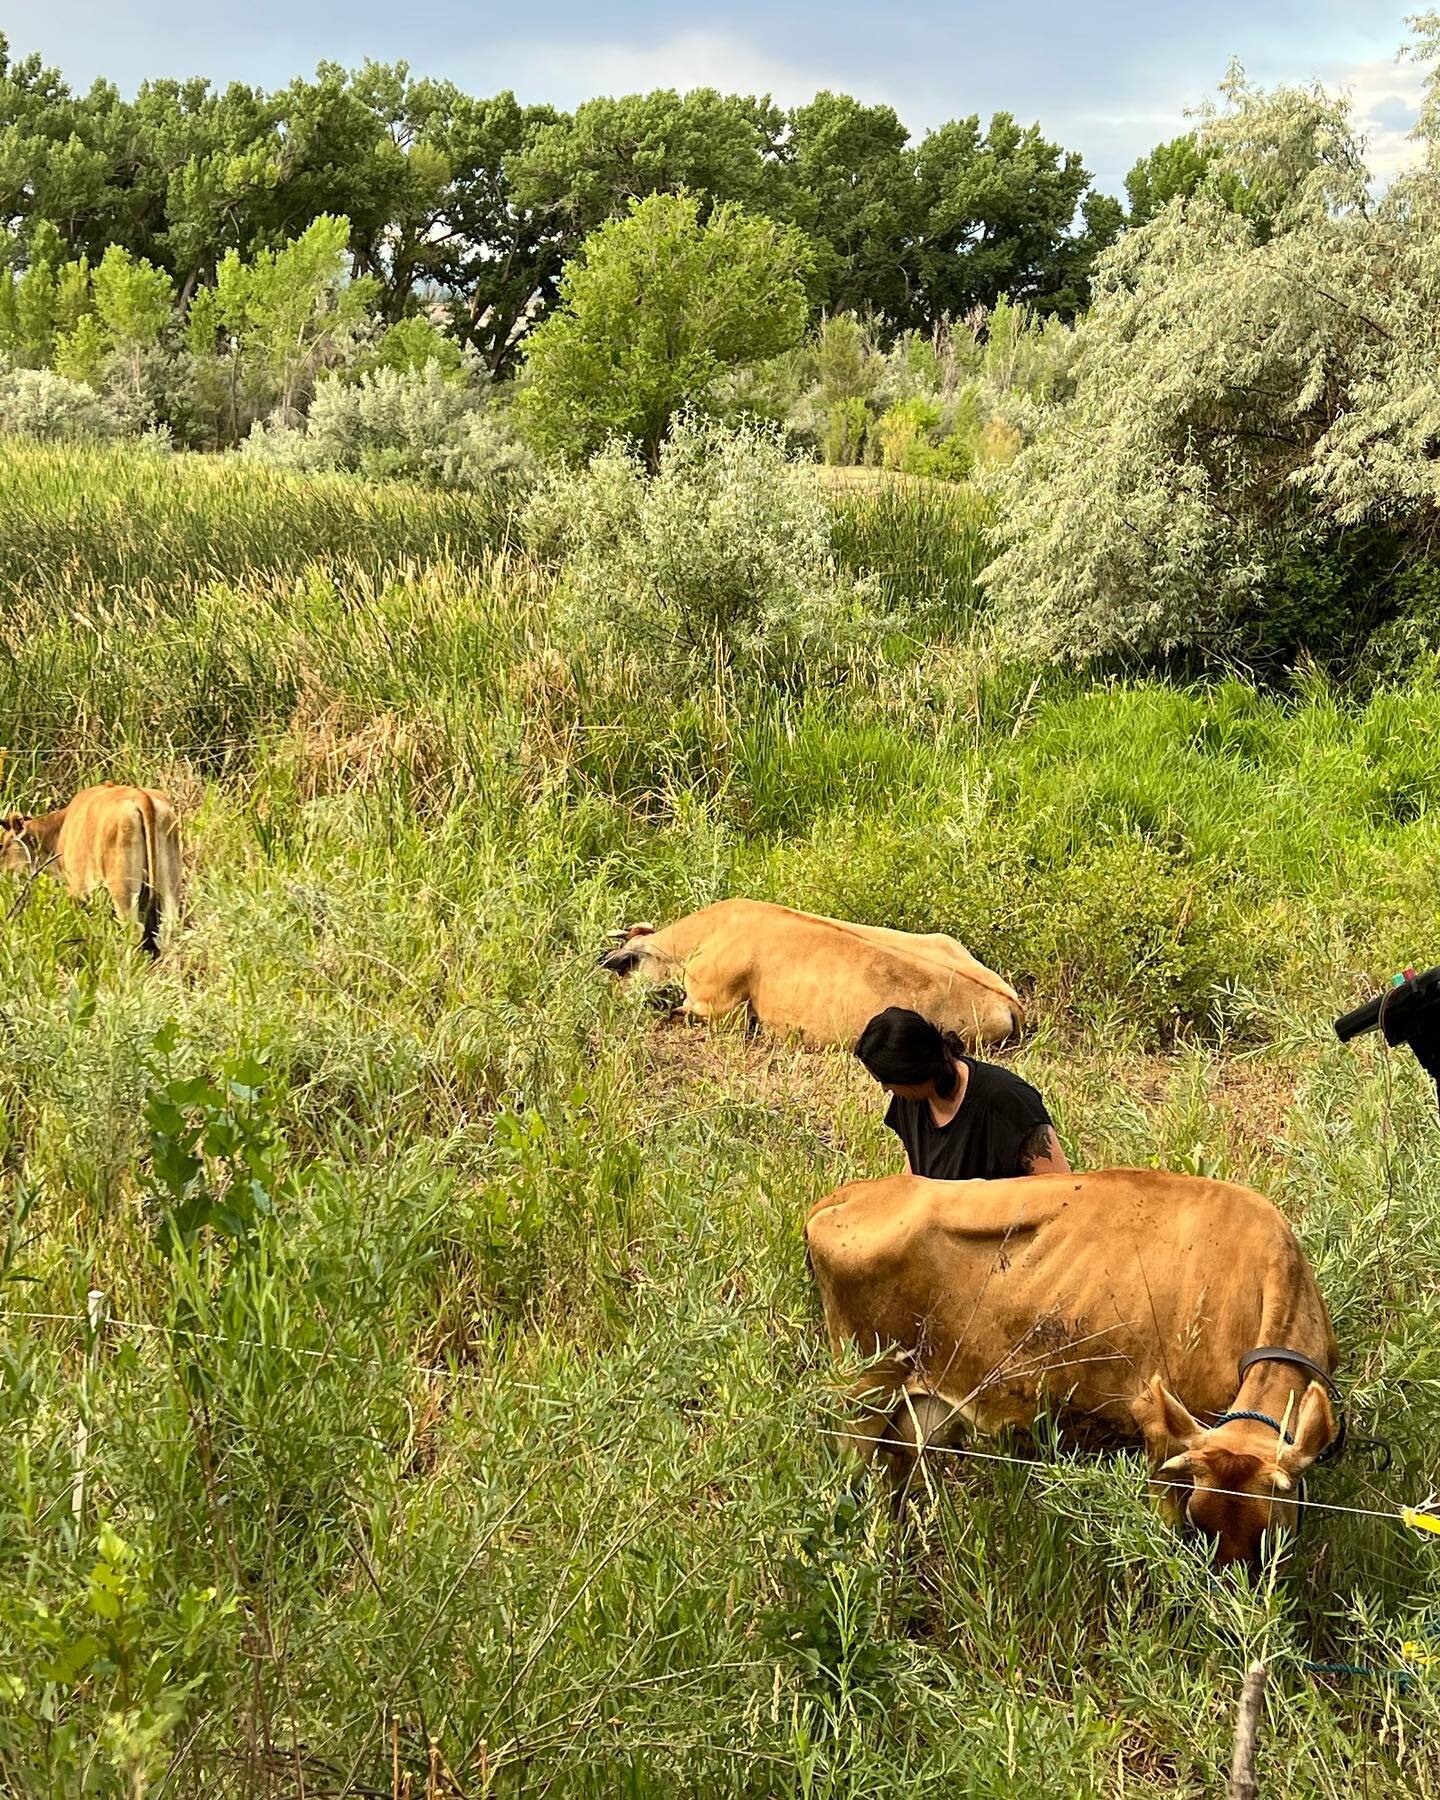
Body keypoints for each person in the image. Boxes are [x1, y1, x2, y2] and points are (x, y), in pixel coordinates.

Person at [854, 1006, 1069, 1181]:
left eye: (886, 1081)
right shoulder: (909, 1099)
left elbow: (1060, 1187)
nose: (884, 1089)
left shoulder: (1007, 1101)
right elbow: (915, 1174)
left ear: (911, 1072)